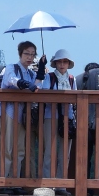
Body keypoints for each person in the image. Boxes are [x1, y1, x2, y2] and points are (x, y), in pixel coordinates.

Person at [0, 41, 40, 183]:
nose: (30, 57)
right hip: (10, 111)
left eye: (33, 54)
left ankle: (14, 181)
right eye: (27, 53)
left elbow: (38, 86)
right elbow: (10, 80)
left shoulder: (31, 73)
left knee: (20, 149)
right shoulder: (12, 67)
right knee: (7, 148)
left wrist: (41, 70)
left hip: (23, 114)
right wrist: (24, 83)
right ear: (20, 53)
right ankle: (3, 181)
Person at [38, 49, 76, 179]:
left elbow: (75, 98)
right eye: (59, 61)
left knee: (65, 153)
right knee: (49, 151)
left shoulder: (72, 79)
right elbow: (45, 95)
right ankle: (47, 181)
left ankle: (62, 183)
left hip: (67, 118)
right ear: (55, 63)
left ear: (68, 64)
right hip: (51, 117)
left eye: (65, 61)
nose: (62, 64)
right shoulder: (49, 77)